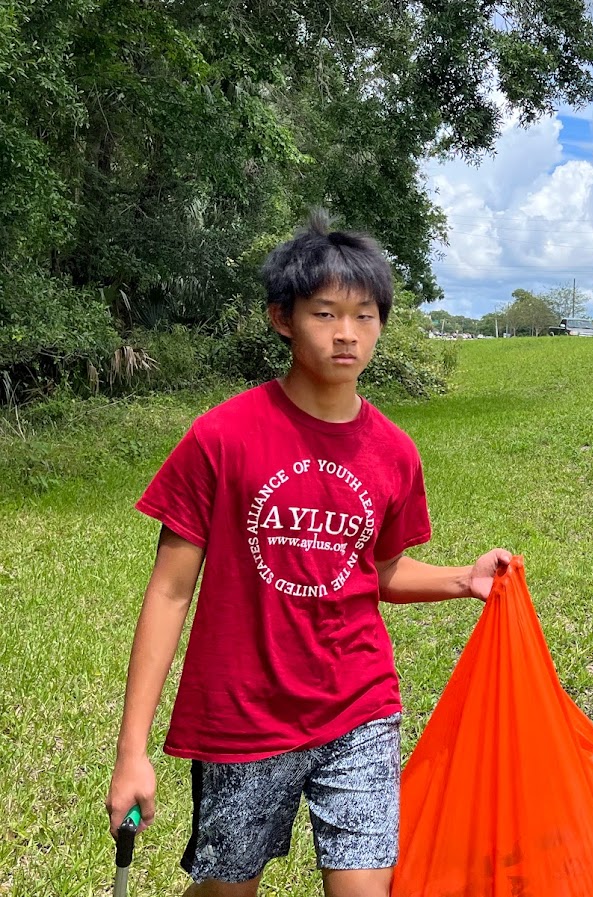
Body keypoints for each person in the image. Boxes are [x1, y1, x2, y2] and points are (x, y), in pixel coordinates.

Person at [104, 210, 511, 897]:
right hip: (243, 715)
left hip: (359, 703)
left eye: (364, 314)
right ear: (282, 318)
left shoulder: (394, 452)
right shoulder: (222, 438)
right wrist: (131, 751)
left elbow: (378, 571)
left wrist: (461, 578)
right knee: (226, 890)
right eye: (324, 312)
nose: (346, 332)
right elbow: (171, 592)